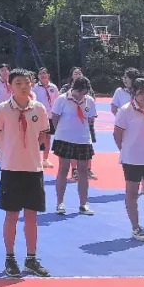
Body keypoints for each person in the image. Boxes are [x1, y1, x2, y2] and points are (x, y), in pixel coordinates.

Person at [0, 67, 50, 278]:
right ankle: (10, 258)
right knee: (12, 215)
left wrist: (31, 151)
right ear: (11, 86)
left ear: (31, 83)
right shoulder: (2, 109)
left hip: (34, 168)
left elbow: (43, 135)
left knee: (32, 215)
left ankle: (31, 259)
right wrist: (7, 152)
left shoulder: (39, 109)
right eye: (18, 84)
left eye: (26, 83)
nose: (23, 87)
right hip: (11, 168)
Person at [113, 78, 144, 242]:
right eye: (142, 94)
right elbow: (117, 134)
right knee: (132, 193)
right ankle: (136, 227)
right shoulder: (126, 110)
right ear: (135, 93)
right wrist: (126, 150)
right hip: (132, 159)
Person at [51, 76, 97, 216]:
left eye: (84, 93)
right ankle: (60, 203)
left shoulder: (89, 100)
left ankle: (83, 204)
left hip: (83, 139)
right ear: (74, 89)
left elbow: (90, 119)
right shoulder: (62, 99)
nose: (81, 96)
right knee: (63, 170)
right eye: (79, 92)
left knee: (83, 171)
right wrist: (63, 130)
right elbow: (55, 118)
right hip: (64, 139)